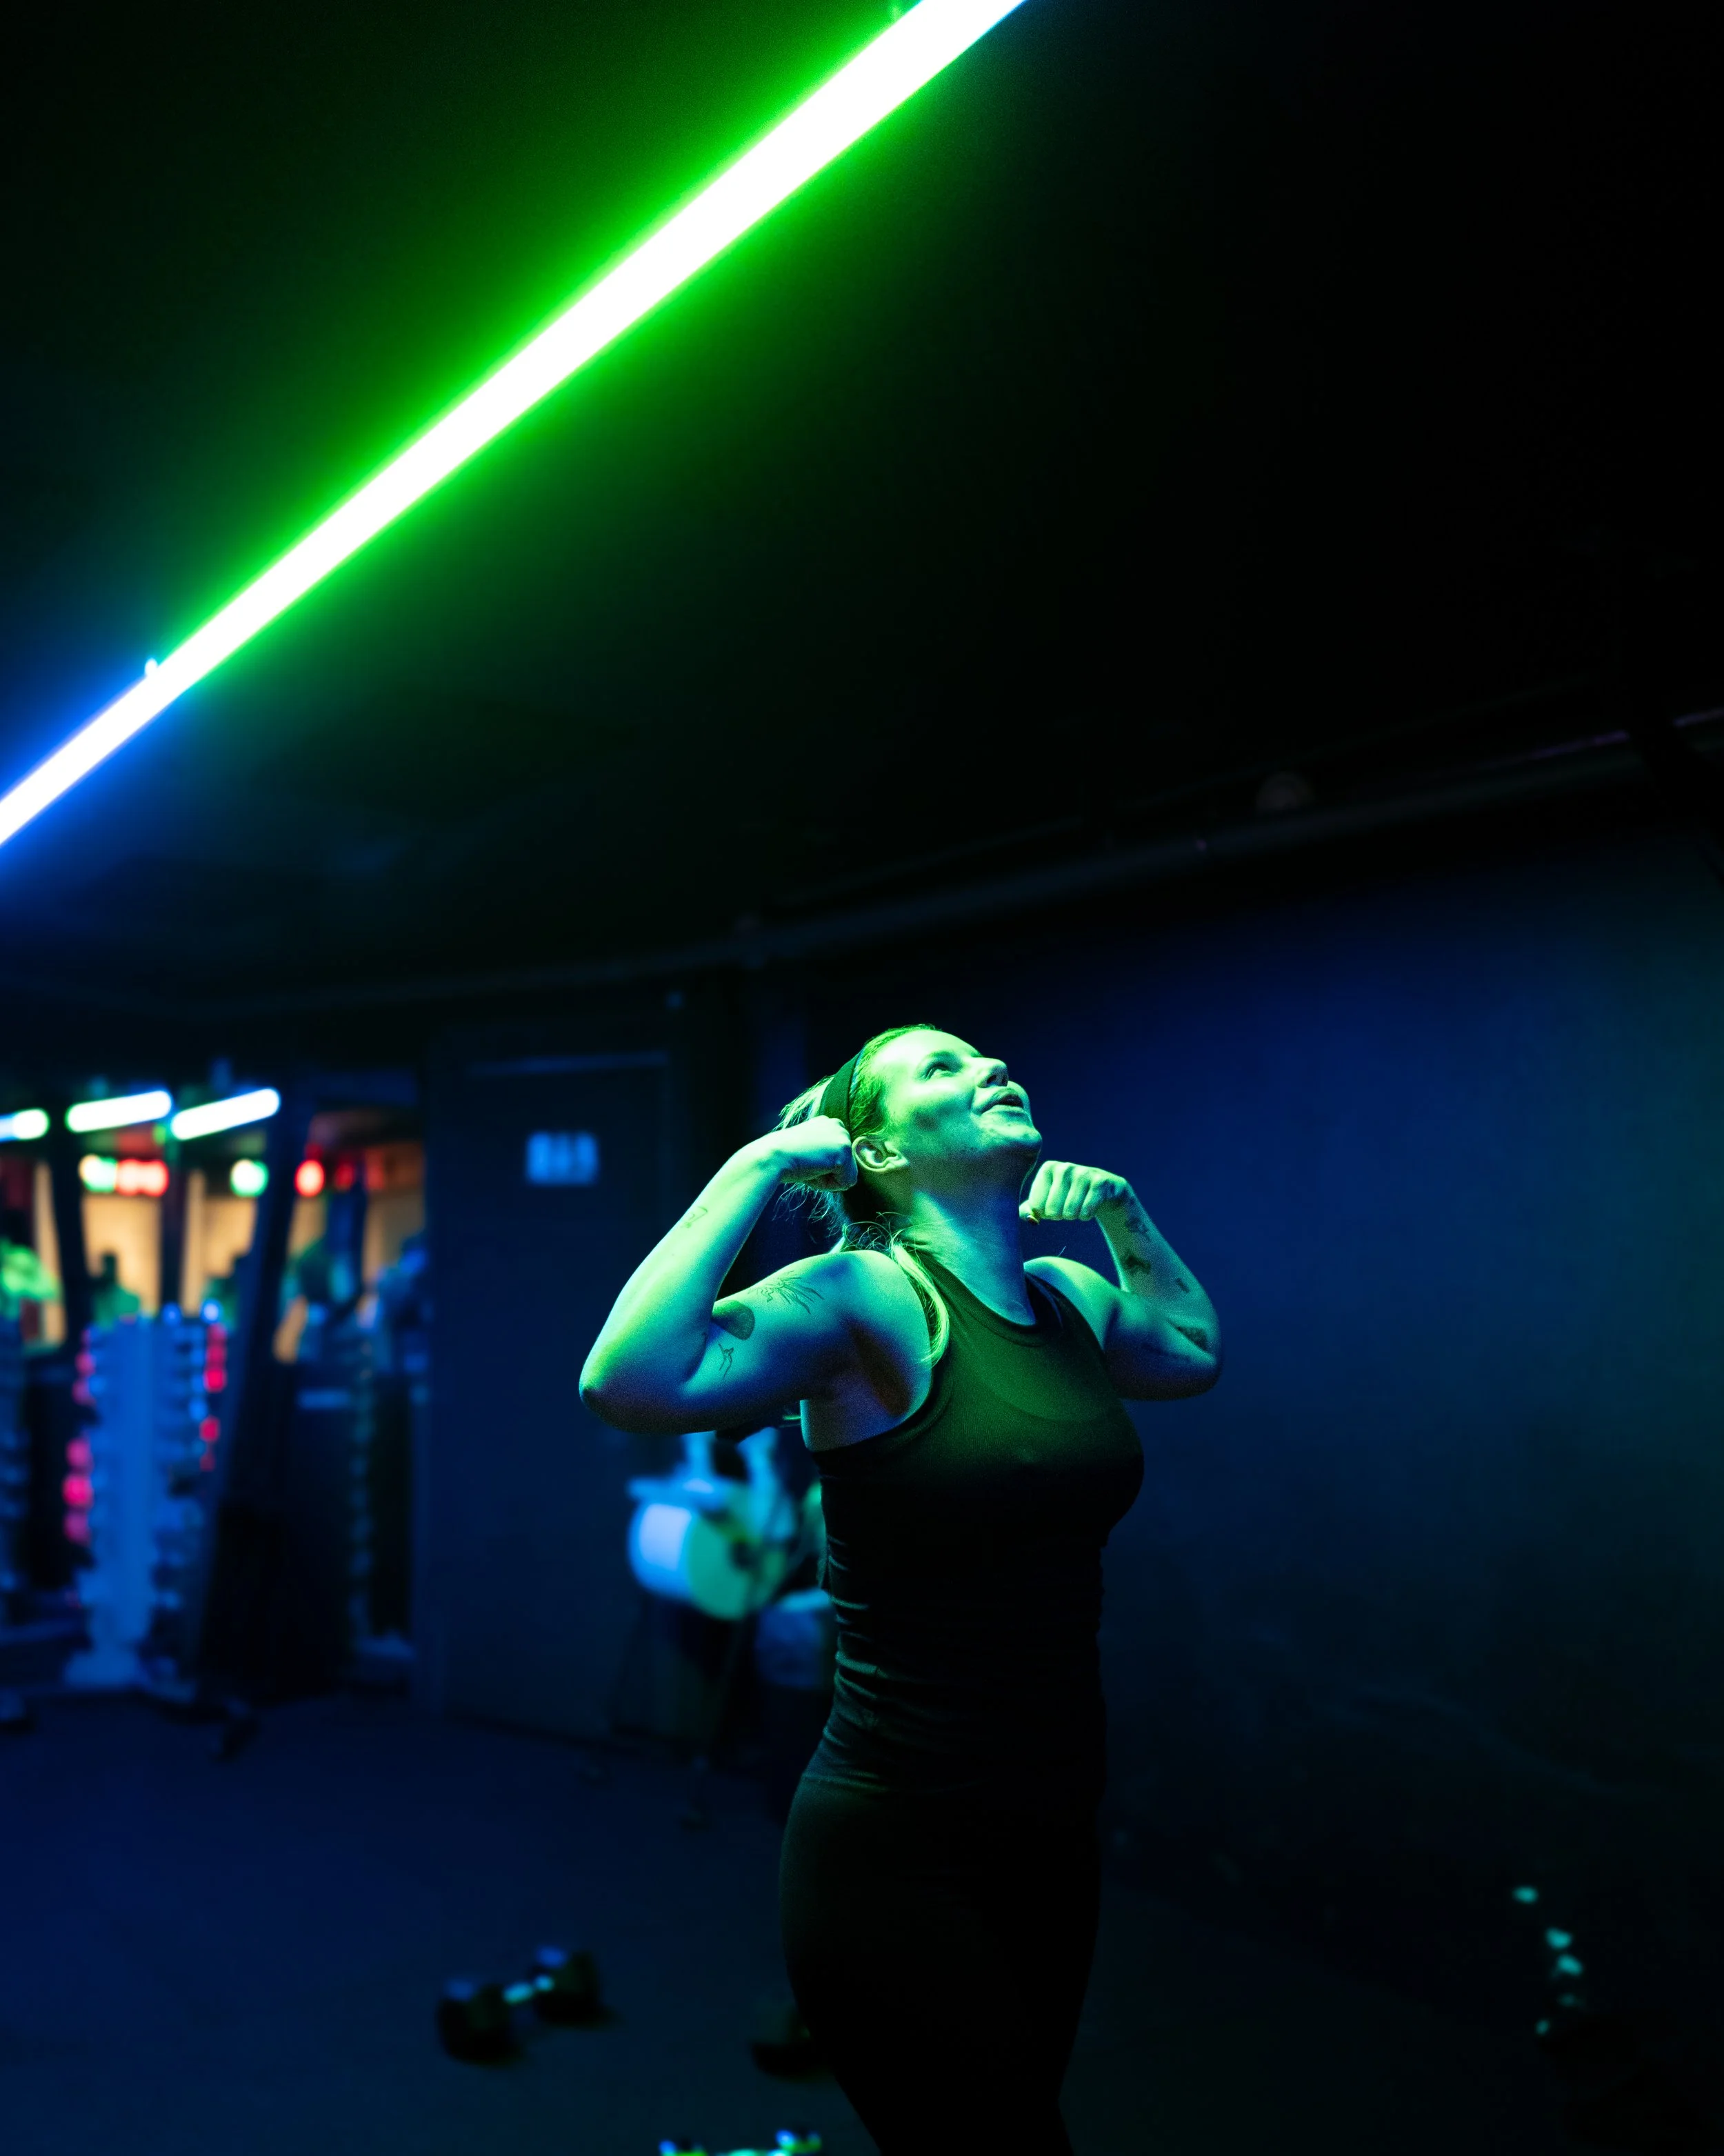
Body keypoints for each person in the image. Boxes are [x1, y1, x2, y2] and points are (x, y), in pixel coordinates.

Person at [581, 1025, 1222, 2153]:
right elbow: (628, 1377)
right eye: (941, 1066)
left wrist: (1121, 1209)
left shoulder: (1070, 1295)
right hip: (897, 1849)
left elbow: (1188, 1348)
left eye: (989, 1057)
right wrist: (762, 1163)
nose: (989, 1067)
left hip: (1055, 1822)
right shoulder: (862, 1300)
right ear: (872, 1148)